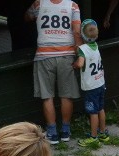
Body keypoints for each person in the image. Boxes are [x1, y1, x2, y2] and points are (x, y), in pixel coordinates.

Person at [25, 0, 82, 145]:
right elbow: (76, 30)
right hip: (67, 55)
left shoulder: (38, 4)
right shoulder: (72, 6)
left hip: (44, 56)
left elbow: (27, 17)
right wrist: (80, 54)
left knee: (47, 95)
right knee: (66, 94)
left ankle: (52, 133)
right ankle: (65, 131)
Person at [75, 19, 110, 148]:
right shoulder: (96, 46)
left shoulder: (82, 49)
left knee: (93, 112)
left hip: (91, 86)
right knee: (100, 108)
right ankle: (103, 133)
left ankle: (93, 137)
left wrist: (74, 64)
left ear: (82, 35)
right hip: (100, 83)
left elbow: (80, 63)